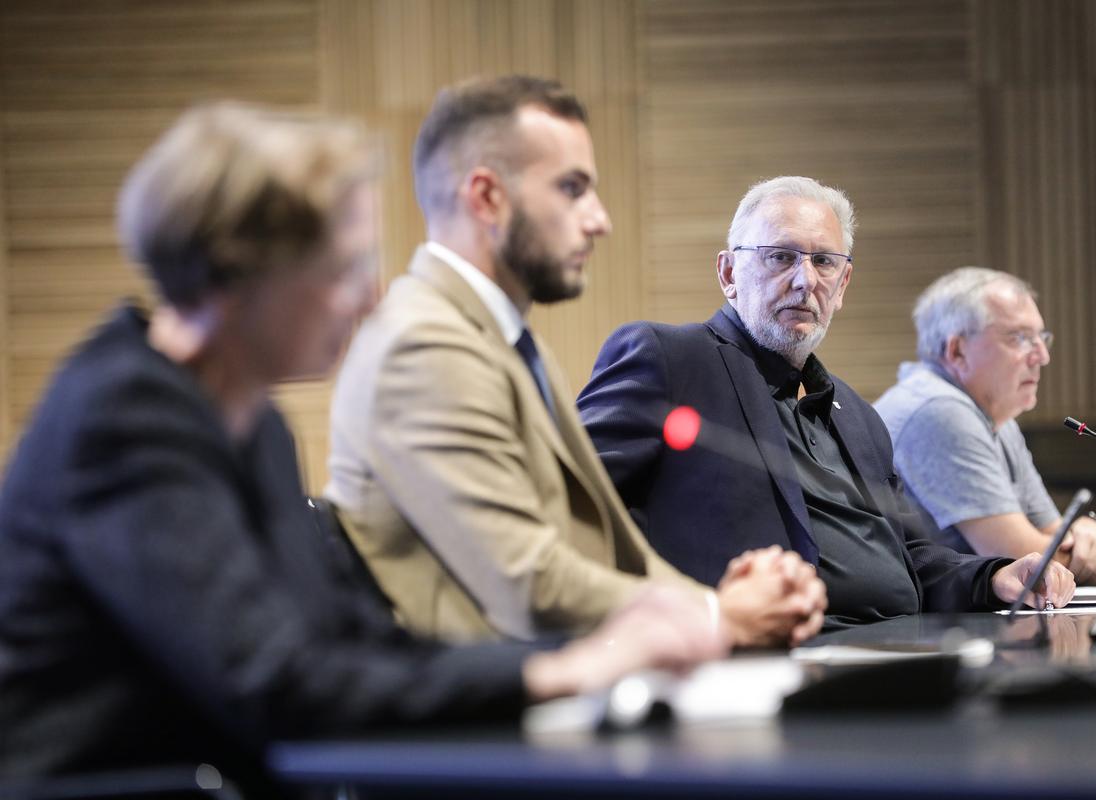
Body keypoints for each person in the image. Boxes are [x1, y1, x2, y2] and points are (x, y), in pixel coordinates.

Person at [0, 102, 728, 786]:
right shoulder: (123, 415)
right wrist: (567, 672)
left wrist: (584, 660)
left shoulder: (252, 422)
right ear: (239, 272)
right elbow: (272, 682)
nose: (372, 295)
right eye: (344, 268)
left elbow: (349, 641)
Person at [325, 75, 826, 647]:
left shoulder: (495, 340)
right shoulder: (423, 344)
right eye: (572, 188)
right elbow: (523, 578)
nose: (599, 220)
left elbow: (606, 550)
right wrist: (719, 617)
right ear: (487, 197)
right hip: (479, 718)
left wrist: (723, 606)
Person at [576, 176, 1075, 630]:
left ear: (843, 286)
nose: (805, 280)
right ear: (729, 272)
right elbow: (569, 505)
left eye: (823, 262)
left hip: (900, 652)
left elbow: (911, 558)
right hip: (769, 660)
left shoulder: (858, 416)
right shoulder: (671, 360)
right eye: (780, 257)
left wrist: (996, 577)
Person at [873, 267, 1096, 585]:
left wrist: (1089, 530)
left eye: (1042, 337)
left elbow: (1053, 536)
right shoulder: (938, 411)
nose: (1041, 356)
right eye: (1020, 338)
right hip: (914, 627)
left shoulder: (997, 416)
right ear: (957, 351)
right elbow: (1025, 560)